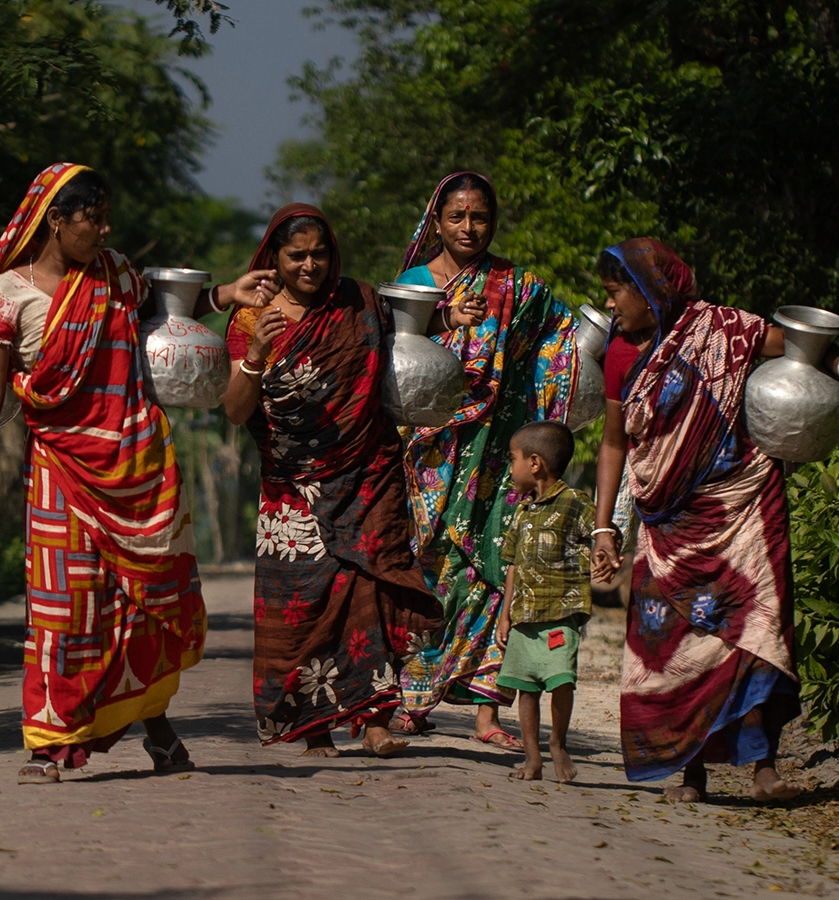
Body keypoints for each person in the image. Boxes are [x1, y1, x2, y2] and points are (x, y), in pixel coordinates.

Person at [0, 163, 272, 784]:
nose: (104, 228)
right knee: (63, 610)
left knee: (139, 605)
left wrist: (226, 296)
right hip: (60, 471)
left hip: (136, 465)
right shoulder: (5, 294)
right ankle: (51, 742)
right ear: (55, 220)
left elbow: (165, 313)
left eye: (104, 217)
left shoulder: (116, 273)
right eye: (92, 218)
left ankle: (158, 730)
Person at [590, 238, 839, 803]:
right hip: (668, 523)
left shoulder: (720, 328)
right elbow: (611, 445)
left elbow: (791, 347)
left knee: (752, 631)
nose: (611, 304)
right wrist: (605, 528)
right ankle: (692, 770)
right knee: (676, 642)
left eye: (617, 290)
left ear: (653, 292)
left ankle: (762, 764)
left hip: (742, 503)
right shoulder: (620, 355)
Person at [224, 204, 455, 758]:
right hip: (292, 484)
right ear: (273, 260)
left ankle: (374, 718)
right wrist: (256, 354)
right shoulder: (251, 318)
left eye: (319, 253)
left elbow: (405, 340)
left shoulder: (359, 301)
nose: (310, 265)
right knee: (301, 605)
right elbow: (234, 410)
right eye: (296, 255)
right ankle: (314, 726)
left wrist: (452, 320)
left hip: (366, 472)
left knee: (367, 590)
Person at [393, 171, 580, 749]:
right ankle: (410, 702)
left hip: (497, 457)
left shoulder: (517, 285)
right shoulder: (415, 284)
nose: (468, 228)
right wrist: (447, 322)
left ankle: (484, 716)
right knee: (429, 569)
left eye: (479, 217)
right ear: (437, 221)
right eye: (457, 217)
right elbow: (389, 345)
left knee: (492, 569)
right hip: (431, 454)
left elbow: (563, 334)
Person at [496, 421, 595, 784]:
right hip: (524, 615)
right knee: (527, 688)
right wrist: (505, 615)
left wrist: (604, 551)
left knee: (561, 679)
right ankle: (532, 757)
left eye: (513, 459)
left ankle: (558, 743)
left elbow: (599, 535)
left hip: (562, 612)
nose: (511, 467)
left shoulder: (576, 503)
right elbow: (513, 566)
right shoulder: (521, 513)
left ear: (534, 463)